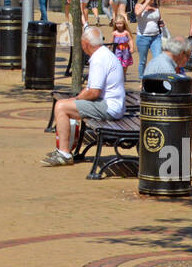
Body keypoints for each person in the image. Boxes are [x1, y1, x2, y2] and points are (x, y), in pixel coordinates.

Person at [41, 27, 127, 166]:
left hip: (109, 107)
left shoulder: (99, 59)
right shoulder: (104, 54)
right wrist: (76, 100)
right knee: (64, 103)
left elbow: (94, 92)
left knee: (61, 107)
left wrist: (75, 100)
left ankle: (64, 153)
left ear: (85, 44)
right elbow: (91, 90)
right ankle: (64, 150)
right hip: (111, 104)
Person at [142, 36, 192, 180]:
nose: (187, 61)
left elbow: (170, 93)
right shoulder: (166, 67)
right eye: (188, 56)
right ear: (180, 54)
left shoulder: (161, 61)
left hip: (158, 113)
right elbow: (173, 100)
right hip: (164, 118)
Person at [132, 0, 164, 78]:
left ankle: (156, 78)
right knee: (143, 61)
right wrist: (146, 3)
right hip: (143, 37)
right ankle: (142, 79)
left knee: (158, 58)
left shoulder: (155, 6)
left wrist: (161, 23)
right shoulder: (138, 5)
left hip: (156, 36)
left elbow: (159, 18)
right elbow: (137, 13)